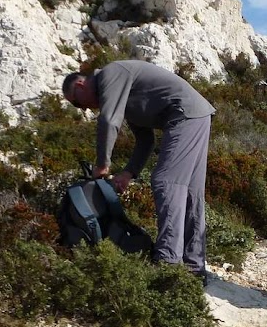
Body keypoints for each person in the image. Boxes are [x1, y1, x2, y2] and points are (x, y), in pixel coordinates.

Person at [61, 60, 216, 278]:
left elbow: (108, 120)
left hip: (184, 114)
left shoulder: (110, 74)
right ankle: (194, 269)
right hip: (195, 115)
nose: (84, 109)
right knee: (190, 193)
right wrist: (128, 173)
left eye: (77, 103)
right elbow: (145, 140)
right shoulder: (125, 96)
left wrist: (102, 164)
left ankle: (167, 265)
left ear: (80, 85)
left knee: (166, 182)